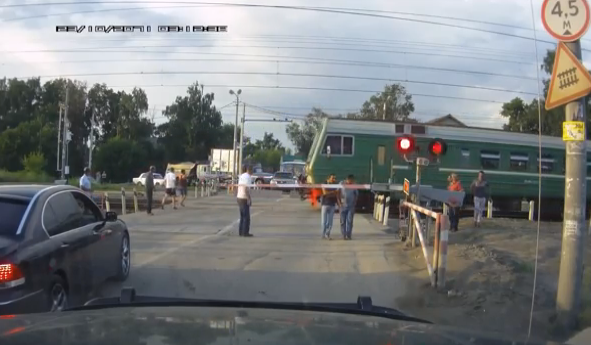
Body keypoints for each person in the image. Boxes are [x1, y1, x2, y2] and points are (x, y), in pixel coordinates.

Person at [321, 173, 341, 240]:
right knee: (324, 221)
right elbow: (324, 193)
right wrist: (333, 192)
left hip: (332, 205)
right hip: (325, 205)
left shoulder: (336, 185)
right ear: (329, 178)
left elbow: (337, 194)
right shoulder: (324, 183)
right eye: (333, 178)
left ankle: (327, 234)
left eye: (335, 178)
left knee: (330, 222)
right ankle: (323, 234)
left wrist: (339, 204)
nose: (334, 179)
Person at [340, 174, 358, 240]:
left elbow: (356, 195)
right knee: (342, 221)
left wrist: (354, 203)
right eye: (350, 180)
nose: (351, 182)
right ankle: (343, 235)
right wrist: (339, 203)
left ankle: (349, 235)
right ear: (347, 179)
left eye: (352, 181)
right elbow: (338, 192)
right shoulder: (342, 184)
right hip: (343, 206)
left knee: (350, 221)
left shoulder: (354, 185)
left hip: (351, 206)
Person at [237, 165, 253, 237]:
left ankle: (241, 231)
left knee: (242, 216)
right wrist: (249, 198)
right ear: (249, 170)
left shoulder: (242, 176)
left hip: (239, 197)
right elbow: (246, 188)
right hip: (244, 197)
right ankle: (245, 232)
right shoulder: (248, 177)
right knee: (246, 217)